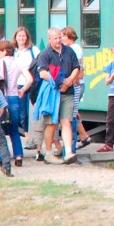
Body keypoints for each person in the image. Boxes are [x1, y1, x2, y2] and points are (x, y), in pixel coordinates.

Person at [33, 27, 81, 164]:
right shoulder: (45, 54)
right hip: (52, 94)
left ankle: (69, 152)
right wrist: (58, 82)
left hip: (68, 92)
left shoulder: (69, 51)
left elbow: (76, 67)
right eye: (56, 38)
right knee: (51, 124)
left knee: (66, 121)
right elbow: (42, 73)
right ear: (50, 39)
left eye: (60, 37)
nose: (59, 40)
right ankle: (48, 153)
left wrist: (69, 81)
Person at [0, 39, 27, 166]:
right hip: (14, 98)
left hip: (1, 99)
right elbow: (30, 79)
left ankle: (2, 158)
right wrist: (22, 90)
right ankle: (18, 156)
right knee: (14, 130)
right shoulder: (18, 63)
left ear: (5, 51)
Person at [62, 27, 91, 151]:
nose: (61, 39)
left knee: (70, 114)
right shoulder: (72, 48)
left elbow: (78, 66)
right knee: (73, 112)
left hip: (75, 84)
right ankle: (84, 137)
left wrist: (74, 80)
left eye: (63, 36)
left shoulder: (75, 49)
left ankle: (72, 145)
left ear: (69, 37)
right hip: (75, 84)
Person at [11, 26, 39, 134]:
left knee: (32, 112)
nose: (21, 38)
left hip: (32, 85)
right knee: (22, 113)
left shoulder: (33, 50)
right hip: (18, 84)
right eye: (19, 36)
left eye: (23, 36)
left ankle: (32, 136)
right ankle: (27, 135)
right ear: (16, 38)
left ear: (27, 37)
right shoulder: (13, 51)